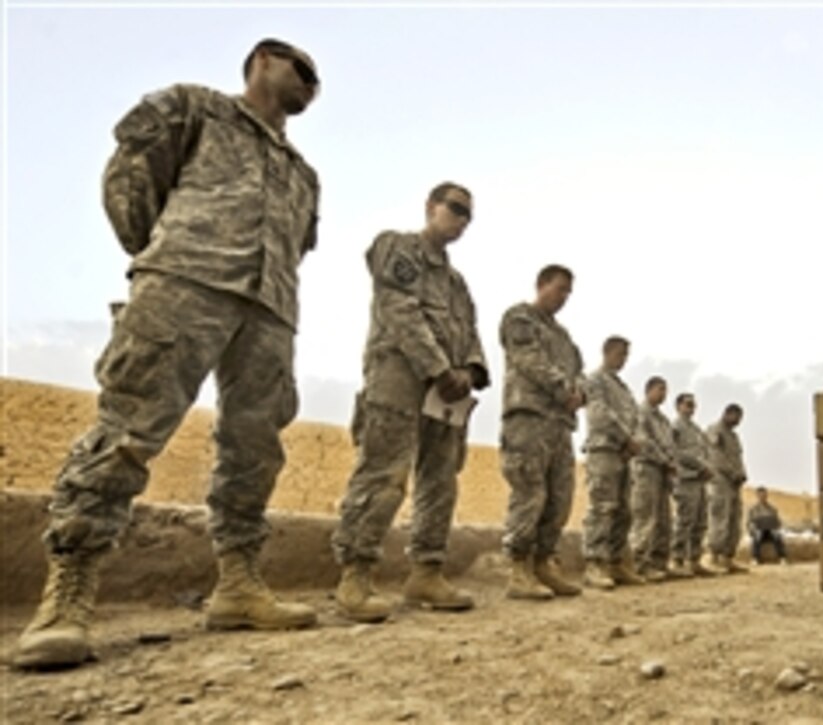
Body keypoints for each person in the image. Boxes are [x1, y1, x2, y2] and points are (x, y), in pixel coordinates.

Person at [14, 39, 323, 669]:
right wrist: (162, 257)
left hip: (268, 312)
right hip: (185, 284)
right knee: (130, 429)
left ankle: (238, 585)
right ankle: (69, 593)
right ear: (263, 60)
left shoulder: (303, 172)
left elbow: (298, 247)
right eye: (304, 70)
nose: (312, 85)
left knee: (254, 450)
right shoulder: (195, 108)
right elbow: (131, 177)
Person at [331, 182, 489, 618]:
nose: (460, 220)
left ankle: (426, 572)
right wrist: (439, 367)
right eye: (455, 209)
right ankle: (355, 577)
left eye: (467, 215)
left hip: (446, 395)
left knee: (440, 480)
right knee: (383, 473)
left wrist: (470, 372)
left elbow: (471, 333)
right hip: (398, 378)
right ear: (431, 207)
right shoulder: (397, 248)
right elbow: (400, 311)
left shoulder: (457, 284)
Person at [498, 265, 586, 600]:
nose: (563, 297)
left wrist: (581, 394)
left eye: (568, 292)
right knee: (529, 492)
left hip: (560, 425)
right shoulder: (520, 318)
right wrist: (565, 389)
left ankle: (542, 563)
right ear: (541, 284)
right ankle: (519, 568)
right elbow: (528, 360)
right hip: (529, 418)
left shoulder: (565, 339)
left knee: (559, 497)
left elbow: (581, 376)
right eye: (559, 289)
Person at [581, 336, 646, 589]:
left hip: (624, 454)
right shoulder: (595, 380)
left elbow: (635, 419)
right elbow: (600, 415)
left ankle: (615, 562)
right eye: (620, 354)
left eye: (626, 355)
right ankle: (594, 563)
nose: (624, 359)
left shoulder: (623, 388)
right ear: (607, 351)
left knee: (624, 511)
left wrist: (635, 441)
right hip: (604, 450)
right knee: (603, 507)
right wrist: (626, 438)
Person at [630, 376, 679, 581]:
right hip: (646, 468)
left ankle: (659, 563)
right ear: (648, 390)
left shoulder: (663, 420)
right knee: (646, 517)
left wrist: (671, 463)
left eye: (665, 390)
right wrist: (664, 460)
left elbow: (671, 446)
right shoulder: (640, 413)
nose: (663, 394)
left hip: (662, 472)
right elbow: (644, 441)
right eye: (660, 389)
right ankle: (639, 564)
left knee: (662, 520)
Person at [670, 393, 716, 576]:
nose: (692, 408)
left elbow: (705, 452)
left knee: (700, 521)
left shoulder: (697, 430)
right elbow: (677, 453)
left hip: (700, 479)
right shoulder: (675, 427)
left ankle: (694, 560)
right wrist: (700, 465)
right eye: (688, 405)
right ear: (679, 406)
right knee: (684, 521)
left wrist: (707, 467)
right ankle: (677, 560)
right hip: (686, 479)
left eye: (693, 405)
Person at [706, 403, 749, 574]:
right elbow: (715, 457)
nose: (738, 422)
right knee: (720, 518)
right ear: (728, 414)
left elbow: (738, 458)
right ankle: (715, 557)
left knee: (734, 519)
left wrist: (742, 474)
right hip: (720, 481)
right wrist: (732, 473)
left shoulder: (734, 436)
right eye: (736, 418)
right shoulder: (714, 430)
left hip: (734, 483)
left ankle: (728, 557)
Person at [747, 486, 787, 564]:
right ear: (757, 496)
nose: (762, 497)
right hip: (758, 532)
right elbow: (749, 523)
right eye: (760, 496)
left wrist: (777, 528)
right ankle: (755, 558)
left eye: (764, 495)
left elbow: (778, 522)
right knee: (757, 535)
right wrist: (753, 527)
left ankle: (782, 558)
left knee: (777, 535)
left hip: (770, 532)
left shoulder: (772, 509)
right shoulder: (753, 509)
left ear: (766, 496)